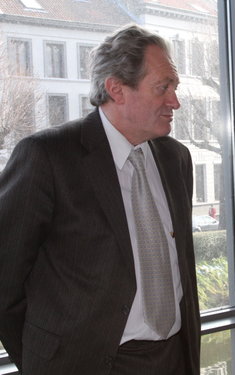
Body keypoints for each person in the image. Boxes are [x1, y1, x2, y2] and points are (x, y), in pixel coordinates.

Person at [0, 24, 200, 375]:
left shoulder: (176, 158)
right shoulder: (48, 157)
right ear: (116, 89)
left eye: (175, 87)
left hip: (173, 359)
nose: (175, 101)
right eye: (162, 87)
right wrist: (44, 360)